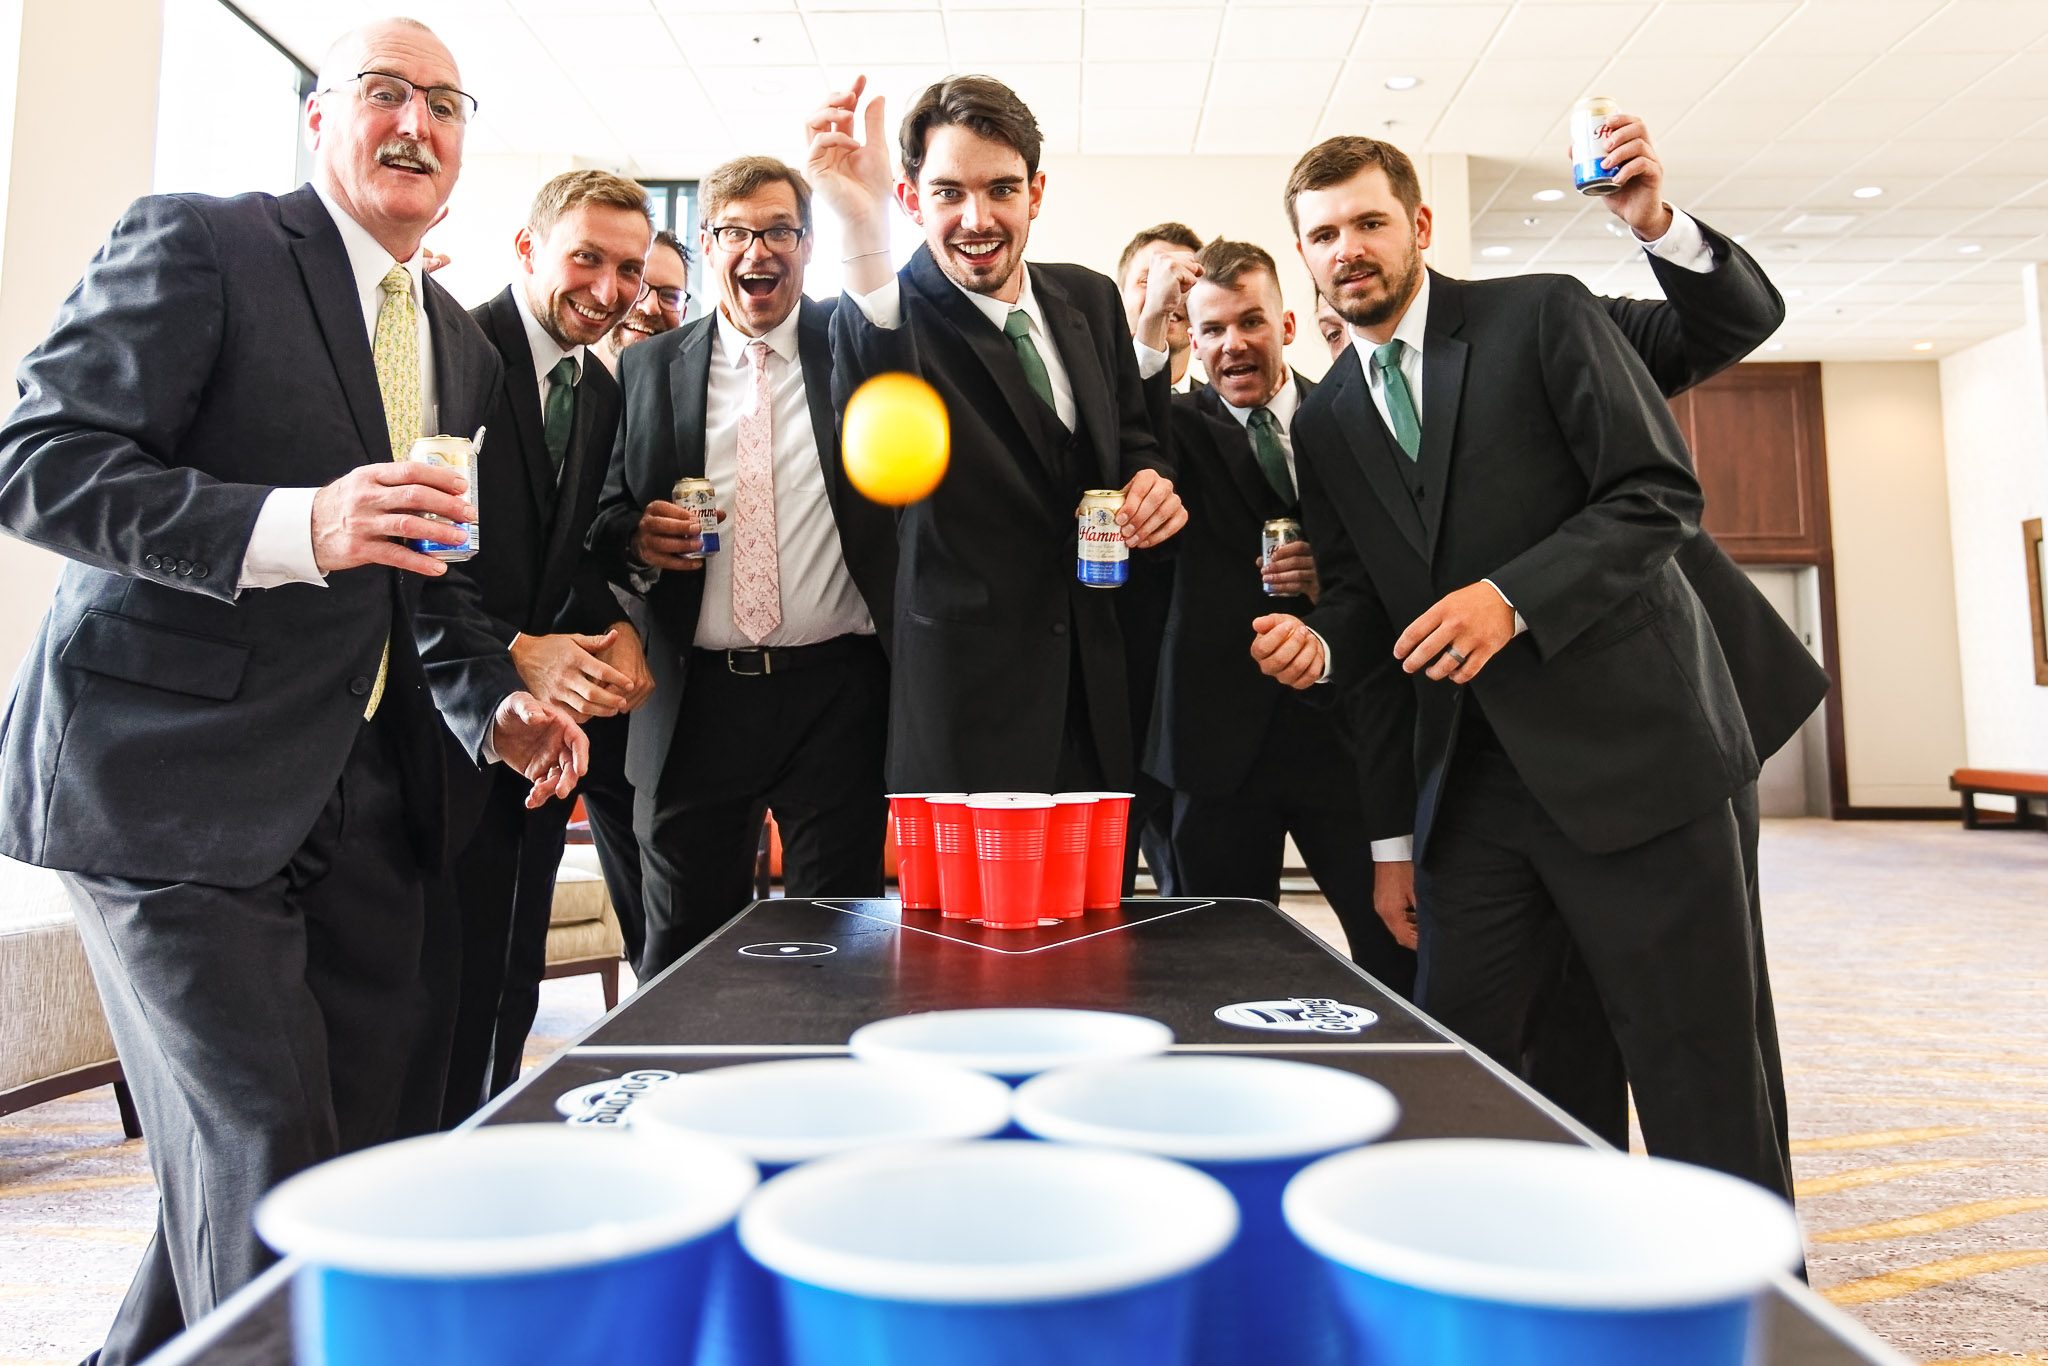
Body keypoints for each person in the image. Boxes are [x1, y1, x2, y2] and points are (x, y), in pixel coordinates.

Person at [0, 19, 586, 1362]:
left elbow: (432, 583)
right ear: (319, 116)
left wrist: (494, 703)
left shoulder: (458, 341)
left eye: (446, 103)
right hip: (164, 784)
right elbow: (37, 459)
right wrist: (295, 523)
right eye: (385, 92)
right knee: (263, 1150)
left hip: (361, 799)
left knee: (345, 1157)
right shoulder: (203, 244)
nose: (416, 124)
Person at [1256, 134, 1790, 1200]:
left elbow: (1652, 496)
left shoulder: (1539, 315)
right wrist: (1325, 662)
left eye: (1367, 222)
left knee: (1698, 1077)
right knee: (1494, 1079)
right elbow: (1363, 604)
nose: (1347, 249)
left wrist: (1510, 600)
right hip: (1472, 790)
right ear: (1304, 261)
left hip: (1639, 763)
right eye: (1322, 235)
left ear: (1417, 225)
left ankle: (1750, 1321)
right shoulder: (1321, 421)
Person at [805, 74, 1188, 793]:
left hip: (1097, 692)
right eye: (949, 192)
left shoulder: (1090, 297)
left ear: (1035, 193)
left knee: (1099, 908)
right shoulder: (887, 314)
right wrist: (859, 235)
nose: (977, 219)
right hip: (965, 712)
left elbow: (1133, 439)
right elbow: (873, 409)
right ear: (911, 200)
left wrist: (1151, 481)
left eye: (1002, 190)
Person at [587, 156, 894, 975]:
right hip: (695, 698)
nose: (759, 250)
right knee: (683, 951)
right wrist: (635, 537)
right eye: (735, 232)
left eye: (780, 231)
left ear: (807, 242)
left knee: (837, 947)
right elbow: (605, 512)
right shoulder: (649, 367)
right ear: (706, 240)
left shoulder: (853, 345)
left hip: (838, 695)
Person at [429, 170, 656, 1124]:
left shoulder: (600, 389)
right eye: (587, 259)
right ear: (527, 249)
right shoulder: (450, 351)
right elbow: (411, 565)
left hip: (532, 741)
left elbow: (562, 555)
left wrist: (624, 626)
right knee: (436, 1001)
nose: (608, 291)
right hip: (440, 723)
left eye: (630, 270)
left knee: (508, 982)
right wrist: (517, 648)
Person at [1151, 237, 1413, 994]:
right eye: (1213, 330)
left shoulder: (1354, 416)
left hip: (1345, 738)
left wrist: (1330, 581)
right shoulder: (1168, 431)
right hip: (1214, 750)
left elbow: (1400, 559)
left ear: (1288, 326)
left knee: (1397, 949)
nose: (1233, 344)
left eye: (1251, 322)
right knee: (1214, 969)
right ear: (1193, 343)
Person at [580, 226, 691, 970]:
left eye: (669, 294)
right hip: (591, 673)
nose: (648, 305)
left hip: (687, 684)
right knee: (643, 912)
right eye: (635, 284)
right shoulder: (577, 392)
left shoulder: (694, 389)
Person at [1116, 222, 1204, 392]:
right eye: (1148, 280)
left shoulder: (1224, 412)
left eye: (1184, 281)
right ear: (1119, 296)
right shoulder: (1090, 397)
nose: (1168, 293)